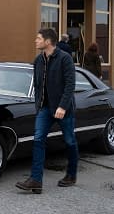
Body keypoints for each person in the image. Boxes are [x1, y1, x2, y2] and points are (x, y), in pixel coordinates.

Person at [15, 28, 78, 194]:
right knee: (38, 140)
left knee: (70, 141)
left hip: (63, 109)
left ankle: (71, 175)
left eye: (38, 38)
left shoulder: (65, 59)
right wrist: (38, 105)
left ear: (48, 41)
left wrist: (63, 107)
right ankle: (36, 180)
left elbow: (70, 85)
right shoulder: (38, 60)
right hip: (44, 108)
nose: (35, 41)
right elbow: (36, 84)